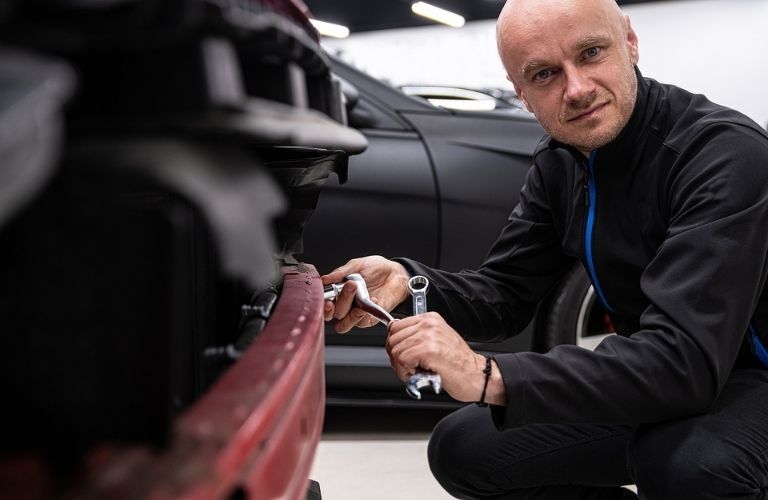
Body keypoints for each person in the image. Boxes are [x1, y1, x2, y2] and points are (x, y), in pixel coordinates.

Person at [322, 0, 768, 498]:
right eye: (544, 74)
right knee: (464, 449)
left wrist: (489, 376)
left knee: (687, 464)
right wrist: (408, 282)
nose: (576, 89)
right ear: (522, 92)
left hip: (745, 378)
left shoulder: (722, 154)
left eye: (591, 52)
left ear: (630, 42)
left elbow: (684, 361)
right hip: (662, 376)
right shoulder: (562, 162)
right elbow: (505, 294)